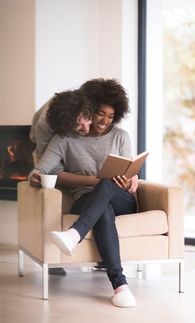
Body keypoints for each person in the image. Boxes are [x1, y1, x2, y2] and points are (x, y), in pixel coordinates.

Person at [30, 78, 139, 308]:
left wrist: (133, 179)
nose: (104, 120)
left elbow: (130, 169)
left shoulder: (121, 136)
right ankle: (121, 287)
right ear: (89, 108)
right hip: (85, 201)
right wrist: (37, 176)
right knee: (103, 210)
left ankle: (74, 235)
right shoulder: (64, 138)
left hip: (121, 198)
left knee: (106, 185)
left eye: (111, 116)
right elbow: (40, 169)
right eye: (100, 113)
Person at [29, 90, 93, 275]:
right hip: (41, 144)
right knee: (50, 189)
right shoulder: (45, 128)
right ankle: (53, 259)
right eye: (78, 127)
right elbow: (47, 166)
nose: (86, 130)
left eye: (87, 120)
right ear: (67, 125)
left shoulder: (86, 103)